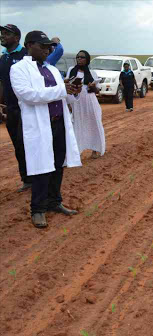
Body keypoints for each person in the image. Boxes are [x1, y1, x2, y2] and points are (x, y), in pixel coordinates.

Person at [10, 30, 82, 228]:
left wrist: (72, 91)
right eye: (42, 46)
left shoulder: (50, 69)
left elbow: (61, 94)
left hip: (59, 122)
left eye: (49, 46)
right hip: (41, 125)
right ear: (29, 45)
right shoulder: (19, 69)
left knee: (58, 164)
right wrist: (61, 89)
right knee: (42, 167)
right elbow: (28, 95)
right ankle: (38, 209)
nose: (47, 50)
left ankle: (54, 202)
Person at [0, 24, 64, 192]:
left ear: (17, 37)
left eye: (7, 33)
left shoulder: (28, 56)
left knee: (37, 149)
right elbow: (2, 83)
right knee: (19, 147)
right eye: (2, 33)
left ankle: (43, 187)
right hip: (12, 110)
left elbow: (40, 85)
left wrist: (57, 43)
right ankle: (26, 179)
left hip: (33, 111)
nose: (3, 36)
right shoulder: (4, 58)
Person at [66, 50, 105, 158]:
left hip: (90, 102)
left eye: (82, 57)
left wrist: (93, 86)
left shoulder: (92, 73)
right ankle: (76, 153)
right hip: (77, 102)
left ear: (87, 59)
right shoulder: (71, 70)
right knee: (77, 126)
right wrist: (69, 104)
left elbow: (97, 91)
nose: (79, 59)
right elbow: (67, 86)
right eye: (78, 57)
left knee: (94, 125)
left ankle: (95, 149)